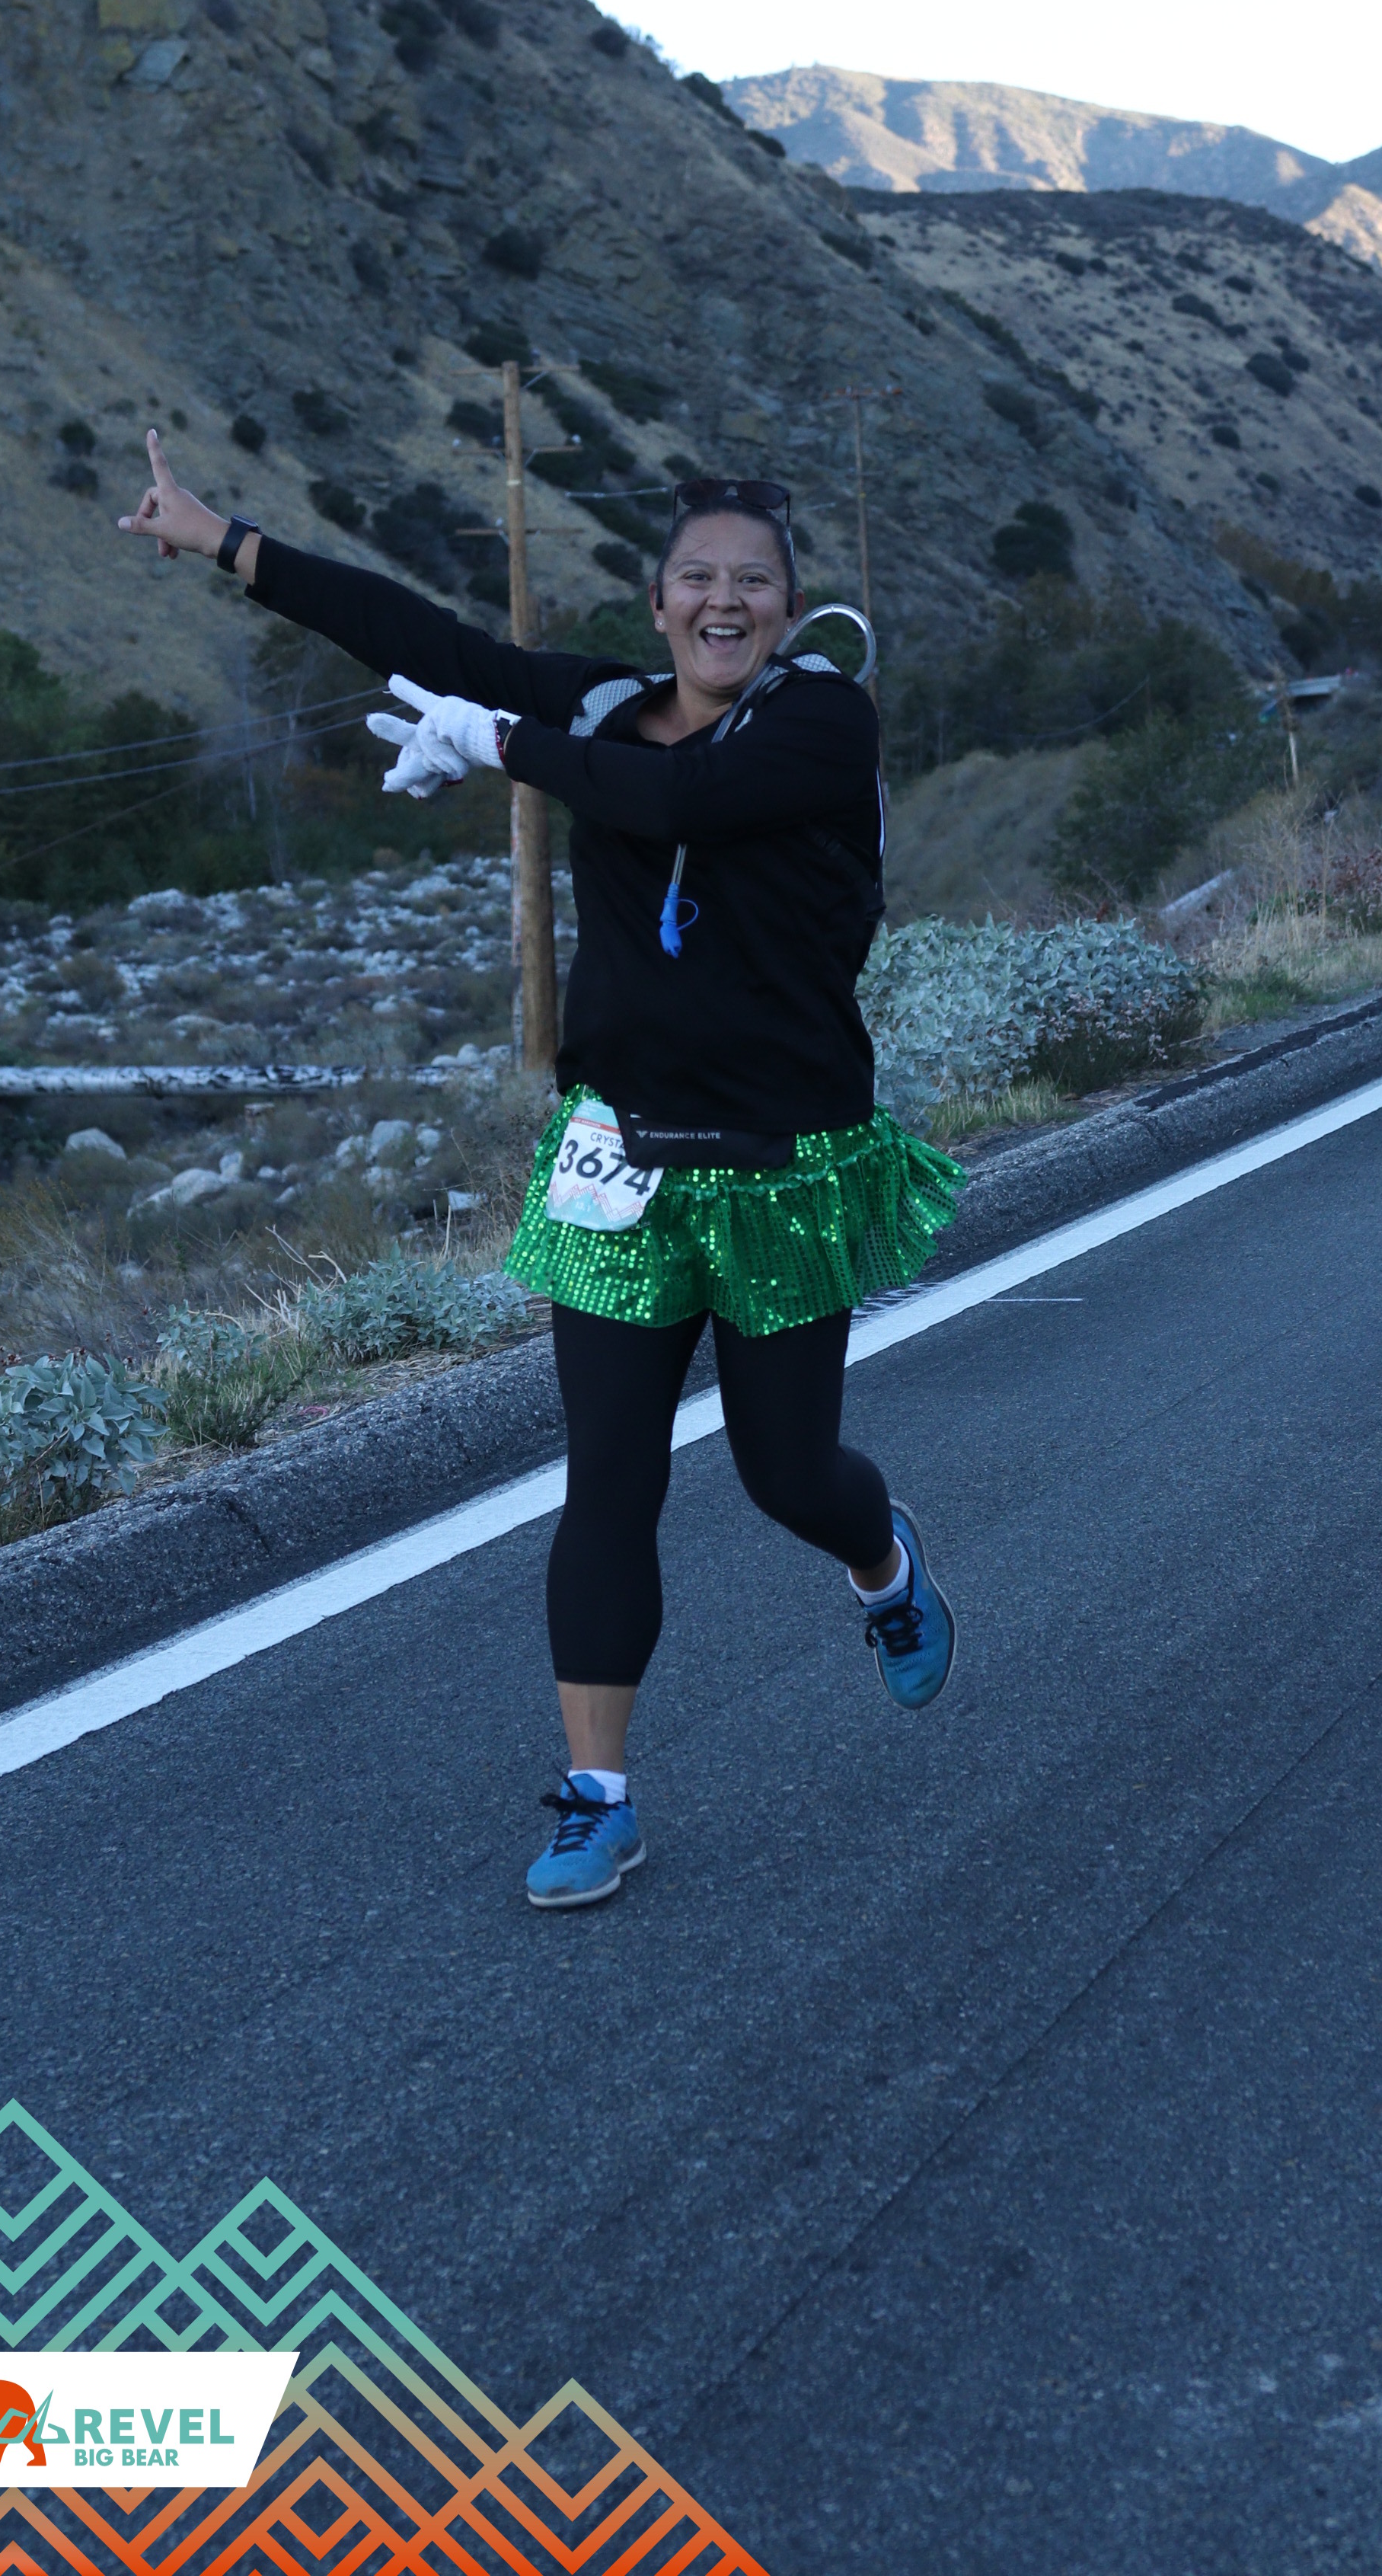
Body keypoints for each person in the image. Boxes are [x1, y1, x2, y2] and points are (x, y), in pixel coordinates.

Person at [117, 430, 962, 1908]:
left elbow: (678, 807)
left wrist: (496, 745)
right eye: (694, 577)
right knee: (607, 1483)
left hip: (781, 1163)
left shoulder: (823, 720)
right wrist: (225, 540)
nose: (721, 600)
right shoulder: (603, 703)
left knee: (787, 1475)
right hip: (616, 1159)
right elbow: (425, 641)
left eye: (750, 582)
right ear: (656, 601)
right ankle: (596, 1797)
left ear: (785, 608)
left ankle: (880, 1562)